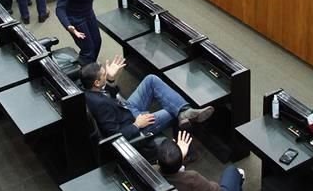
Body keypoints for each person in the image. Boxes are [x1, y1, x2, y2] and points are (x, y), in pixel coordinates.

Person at [81, 55, 214, 140]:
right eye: (104, 74)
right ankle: (185, 145)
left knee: (151, 79)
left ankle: (184, 112)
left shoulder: (90, 91)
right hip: (134, 123)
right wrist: (137, 125)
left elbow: (109, 95)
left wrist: (110, 79)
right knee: (172, 110)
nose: (106, 74)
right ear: (97, 83)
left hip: (126, 109)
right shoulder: (100, 105)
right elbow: (113, 136)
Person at [158, 132, 246, 191]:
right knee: (233, 171)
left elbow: (172, 170)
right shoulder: (192, 179)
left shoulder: (154, 173)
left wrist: (180, 158)